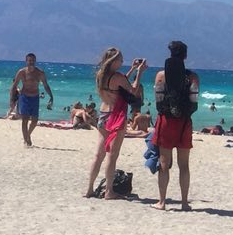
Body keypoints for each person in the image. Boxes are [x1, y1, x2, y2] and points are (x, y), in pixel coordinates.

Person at [85, 48, 146, 200]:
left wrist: (132, 69)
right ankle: (109, 191)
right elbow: (132, 90)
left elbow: (118, 84)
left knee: (98, 155)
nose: (122, 61)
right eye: (120, 59)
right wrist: (139, 72)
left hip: (103, 115)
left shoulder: (100, 75)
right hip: (116, 116)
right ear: (113, 61)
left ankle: (89, 189)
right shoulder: (117, 77)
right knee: (112, 155)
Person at [153, 40, 199, 211]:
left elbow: (158, 101)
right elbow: (194, 102)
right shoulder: (192, 77)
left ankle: (162, 202)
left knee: (164, 163)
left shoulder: (160, 76)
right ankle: (184, 203)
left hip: (166, 121)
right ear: (185, 56)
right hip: (184, 123)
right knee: (184, 165)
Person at [10, 53, 55, 148]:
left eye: (33, 60)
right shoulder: (21, 72)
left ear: (35, 61)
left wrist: (51, 96)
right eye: (29, 60)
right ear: (26, 61)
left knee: (35, 120)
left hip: (35, 97)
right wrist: (12, 100)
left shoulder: (40, 73)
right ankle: (26, 140)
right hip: (24, 97)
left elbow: (46, 85)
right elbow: (14, 86)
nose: (31, 62)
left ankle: (28, 135)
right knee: (25, 119)